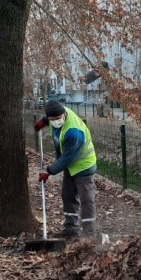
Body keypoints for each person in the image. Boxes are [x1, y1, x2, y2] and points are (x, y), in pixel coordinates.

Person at [34, 100, 97, 237]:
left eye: (58, 118)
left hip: (83, 166)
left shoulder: (73, 132)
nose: (56, 121)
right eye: (52, 119)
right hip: (70, 167)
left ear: (64, 114)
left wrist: (48, 171)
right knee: (68, 196)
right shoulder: (57, 113)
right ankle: (71, 228)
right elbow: (51, 117)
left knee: (86, 199)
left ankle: (89, 233)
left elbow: (67, 158)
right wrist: (44, 121)